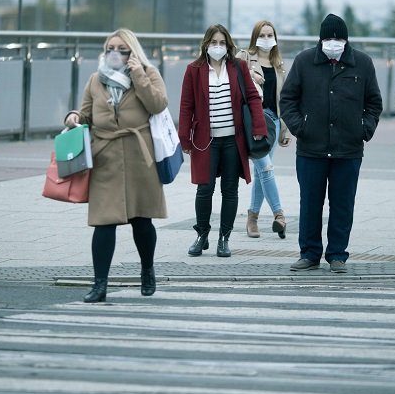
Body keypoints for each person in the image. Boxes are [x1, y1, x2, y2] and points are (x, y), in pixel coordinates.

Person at [64, 28, 169, 303]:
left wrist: (138, 75)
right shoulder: (95, 79)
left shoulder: (148, 73)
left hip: (138, 156)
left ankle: (147, 270)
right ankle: (100, 285)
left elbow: (158, 105)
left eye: (122, 49)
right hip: (104, 156)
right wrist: (74, 117)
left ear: (132, 51)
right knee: (104, 223)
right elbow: (85, 112)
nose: (115, 53)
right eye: (111, 48)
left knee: (141, 221)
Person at [280, 13, 383, 274]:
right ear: (320, 40)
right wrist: (300, 127)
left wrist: (364, 128)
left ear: (346, 40)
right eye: (328, 38)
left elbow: (374, 103)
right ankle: (309, 253)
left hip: (348, 149)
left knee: (342, 204)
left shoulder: (362, 63)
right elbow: (288, 99)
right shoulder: (305, 61)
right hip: (310, 148)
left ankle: (338, 254)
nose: (333, 43)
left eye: (338, 38)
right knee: (310, 203)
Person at [178, 24, 267, 258]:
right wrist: (184, 138)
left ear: (228, 45)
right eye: (213, 42)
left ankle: (224, 237)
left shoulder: (239, 67)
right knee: (204, 189)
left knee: (230, 190)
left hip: (232, 140)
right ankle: (202, 234)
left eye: (222, 43)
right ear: (206, 44)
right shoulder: (194, 69)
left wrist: (259, 127)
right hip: (205, 141)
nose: (217, 47)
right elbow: (186, 106)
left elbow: (253, 98)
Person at [236, 20, 291, 240]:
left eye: (270, 35)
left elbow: (283, 99)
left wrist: (285, 131)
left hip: (274, 123)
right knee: (266, 169)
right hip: (253, 123)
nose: (266, 39)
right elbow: (234, 79)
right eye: (262, 35)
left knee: (262, 174)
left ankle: (253, 218)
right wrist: (251, 75)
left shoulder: (278, 64)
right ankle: (280, 215)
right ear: (255, 37)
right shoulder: (245, 57)